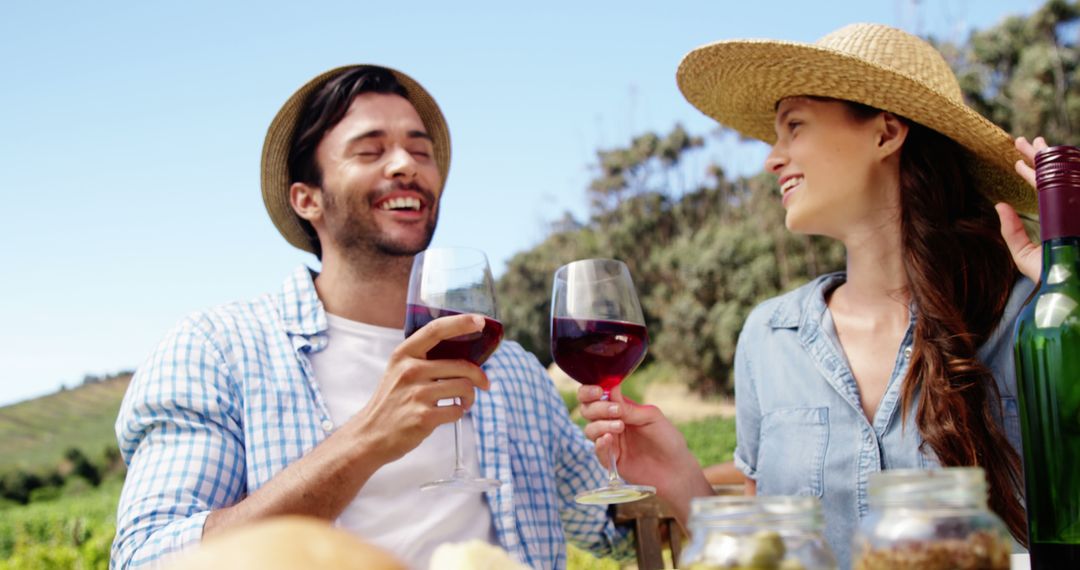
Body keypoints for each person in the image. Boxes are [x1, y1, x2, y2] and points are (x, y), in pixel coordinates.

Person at [111, 64, 631, 570]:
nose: (406, 164)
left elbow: (614, 529)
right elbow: (149, 558)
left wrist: (670, 473)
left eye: (420, 151)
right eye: (370, 150)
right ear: (306, 199)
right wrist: (365, 441)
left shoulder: (511, 369)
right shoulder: (216, 349)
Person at [579, 23, 1045, 569]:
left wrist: (1071, 286)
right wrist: (680, 481)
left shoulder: (1032, 315)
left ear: (886, 133)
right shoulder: (768, 337)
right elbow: (773, 556)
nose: (772, 158)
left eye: (794, 126)